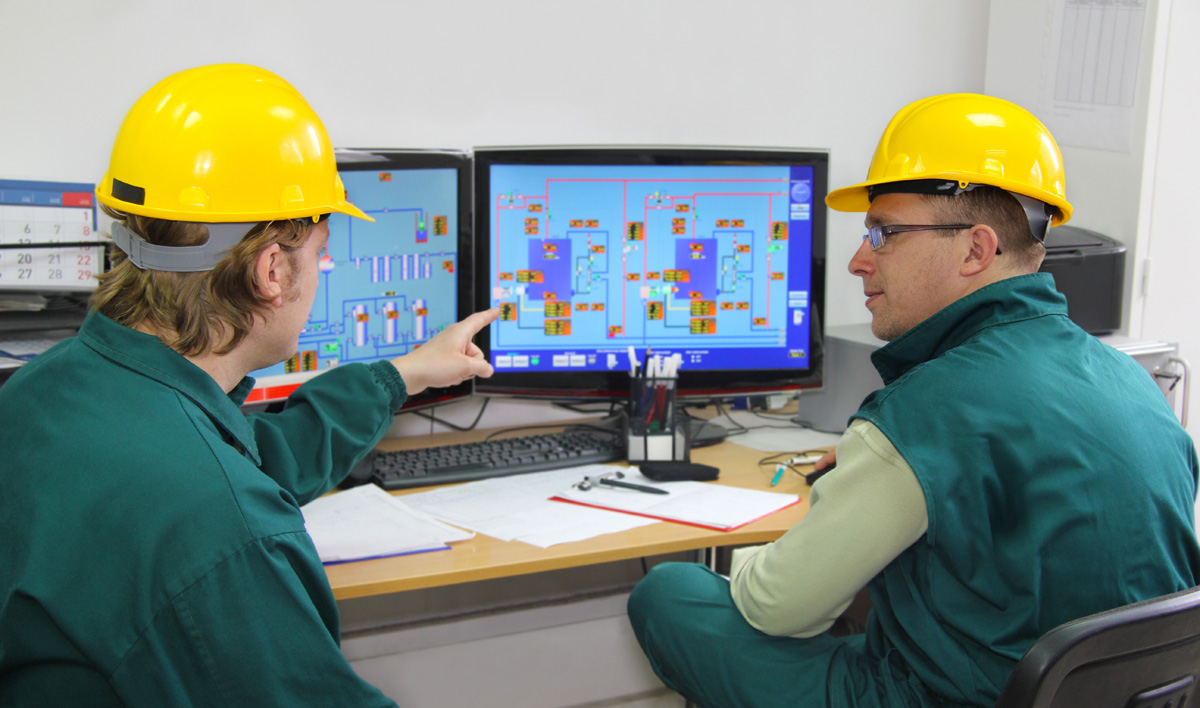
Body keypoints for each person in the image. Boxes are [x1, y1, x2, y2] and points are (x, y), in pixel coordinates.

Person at [626, 93, 1200, 708]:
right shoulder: (1133, 382)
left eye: (884, 234)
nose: (857, 260)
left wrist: (761, 557)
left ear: (975, 250)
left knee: (671, 592)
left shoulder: (925, 410)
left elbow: (776, 608)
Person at [0, 64, 497, 706]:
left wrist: (401, 374)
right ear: (270, 271)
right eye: (317, 251)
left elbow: (258, 458)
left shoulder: (44, 392)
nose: (319, 269)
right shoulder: (219, 531)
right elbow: (218, 501)